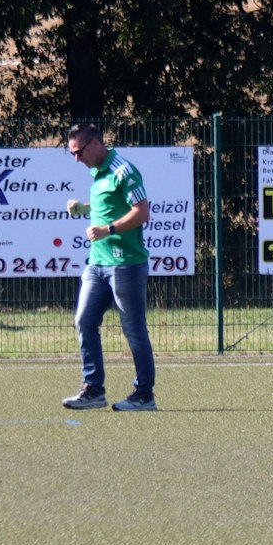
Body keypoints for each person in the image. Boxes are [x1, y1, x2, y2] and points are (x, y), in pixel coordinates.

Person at [62, 123, 156, 409]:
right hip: (97, 264)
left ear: (94, 144)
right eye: (72, 154)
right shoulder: (97, 172)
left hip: (125, 264)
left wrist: (109, 229)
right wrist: (84, 209)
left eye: (78, 152)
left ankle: (144, 394)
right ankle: (93, 390)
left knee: (134, 330)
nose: (76, 159)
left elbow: (142, 212)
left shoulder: (123, 170)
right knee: (84, 321)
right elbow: (110, 204)